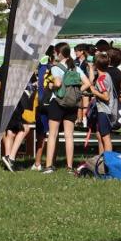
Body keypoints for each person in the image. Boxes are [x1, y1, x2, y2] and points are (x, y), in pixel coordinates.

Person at [43, 43, 88, 173]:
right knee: (69, 136)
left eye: (55, 52)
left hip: (57, 102)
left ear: (59, 53)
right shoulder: (76, 68)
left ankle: (49, 166)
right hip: (72, 104)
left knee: (52, 134)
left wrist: (51, 86)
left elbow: (57, 83)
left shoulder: (56, 68)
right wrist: (78, 92)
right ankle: (69, 166)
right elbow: (88, 83)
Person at [89, 52, 119, 153]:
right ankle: (104, 158)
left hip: (104, 111)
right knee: (104, 136)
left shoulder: (101, 80)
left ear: (96, 65)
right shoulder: (107, 75)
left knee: (106, 138)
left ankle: (109, 160)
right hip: (108, 110)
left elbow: (106, 97)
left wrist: (95, 92)